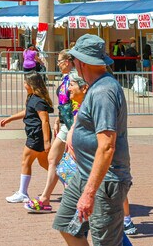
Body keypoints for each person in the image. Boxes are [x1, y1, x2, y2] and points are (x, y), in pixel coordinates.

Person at [53, 34, 132, 246]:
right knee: (66, 225)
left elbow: (107, 146)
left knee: (104, 241)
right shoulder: (96, 86)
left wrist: (89, 193)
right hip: (84, 173)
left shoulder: (103, 91)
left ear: (81, 62)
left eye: (74, 60)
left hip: (106, 181)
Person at [25, 60, 87, 213]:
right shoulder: (67, 79)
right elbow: (65, 102)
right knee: (54, 159)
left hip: (76, 125)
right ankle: (47, 198)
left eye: (59, 61)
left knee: (73, 163)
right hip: (68, 123)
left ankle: (76, 196)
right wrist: (59, 119)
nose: (57, 64)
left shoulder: (80, 81)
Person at [1, 72, 54, 203]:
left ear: (31, 84)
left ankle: (23, 193)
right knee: (45, 163)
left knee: (26, 162)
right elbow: (27, 112)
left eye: (25, 83)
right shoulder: (32, 98)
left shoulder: (38, 101)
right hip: (35, 135)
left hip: (37, 136)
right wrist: (10, 119)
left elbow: (45, 121)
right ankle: (70, 183)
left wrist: (47, 142)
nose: (24, 85)